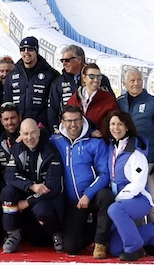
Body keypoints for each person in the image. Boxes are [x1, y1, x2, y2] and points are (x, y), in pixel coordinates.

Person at [51, 103, 111, 255]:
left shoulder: (95, 142)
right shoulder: (55, 141)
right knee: (71, 247)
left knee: (107, 196)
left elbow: (104, 174)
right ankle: (96, 232)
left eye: (76, 120)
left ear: (83, 120)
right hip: (74, 203)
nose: (73, 124)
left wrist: (88, 194)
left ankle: (101, 242)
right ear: (62, 122)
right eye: (69, 121)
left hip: (92, 196)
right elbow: (35, 137)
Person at [1, 117, 63, 253]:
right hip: (29, 191)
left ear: (39, 132)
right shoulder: (16, 149)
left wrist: (29, 202)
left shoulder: (51, 151)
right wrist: (31, 186)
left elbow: (54, 186)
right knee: (7, 192)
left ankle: (56, 232)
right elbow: (9, 175)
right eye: (25, 134)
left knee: (41, 217)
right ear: (20, 134)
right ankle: (13, 235)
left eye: (33, 133)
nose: (29, 137)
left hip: (46, 198)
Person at [118, 68, 154, 234]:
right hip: (129, 160)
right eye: (132, 80)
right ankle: (139, 233)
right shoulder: (119, 102)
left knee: (152, 197)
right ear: (124, 83)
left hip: (150, 158)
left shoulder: (153, 103)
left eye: (139, 80)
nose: (136, 83)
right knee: (134, 196)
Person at [101, 109, 154, 261]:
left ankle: (133, 248)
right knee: (115, 248)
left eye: (120, 124)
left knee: (114, 209)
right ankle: (151, 233)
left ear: (127, 127)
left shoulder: (135, 152)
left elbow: (139, 183)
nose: (116, 128)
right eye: (112, 124)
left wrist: (118, 199)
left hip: (139, 200)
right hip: (120, 203)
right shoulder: (112, 147)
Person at [1, 37, 58, 125]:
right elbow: (7, 103)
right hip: (19, 127)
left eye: (30, 49)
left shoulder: (51, 74)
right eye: (23, 49)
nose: (26, 52)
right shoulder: (12, 75)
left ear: (36, 51)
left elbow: (55, 104)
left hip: (41, 127)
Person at [48, 46, 87, 126]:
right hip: (67, 129)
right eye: (62, 61)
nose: (64, 64)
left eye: (67, 60)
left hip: (92, 129)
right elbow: (52, 111)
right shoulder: (58, 82)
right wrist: (55, 129)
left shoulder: (97, 79)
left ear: (79, 60)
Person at [76, 63, 117, 136]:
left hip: (99, 140)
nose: (96, 80)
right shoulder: (75, 98)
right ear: (84, 78)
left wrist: (101, 132)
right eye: (92, 76)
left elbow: (115, 122)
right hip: (77, 140)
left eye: (99, 77)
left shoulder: (108, 99)